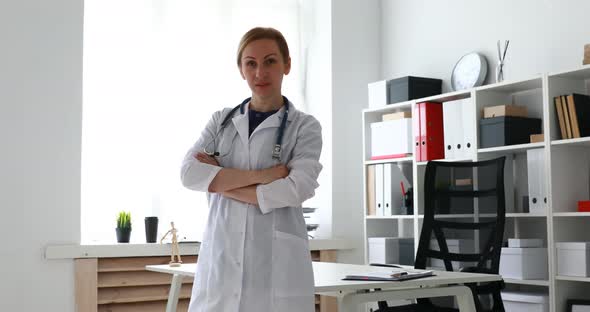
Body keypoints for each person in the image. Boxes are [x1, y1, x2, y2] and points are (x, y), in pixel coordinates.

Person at [180, 27, 322, 312]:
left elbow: (297, 189)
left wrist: (219, 181)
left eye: (270, 61)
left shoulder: (305, 126)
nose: (260, 72)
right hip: (220, 267)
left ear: (287, 65)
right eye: (251, 63)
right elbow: (189, 174)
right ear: (241, 69)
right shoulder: (221, 121)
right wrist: (264, 177)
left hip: (275, 272)